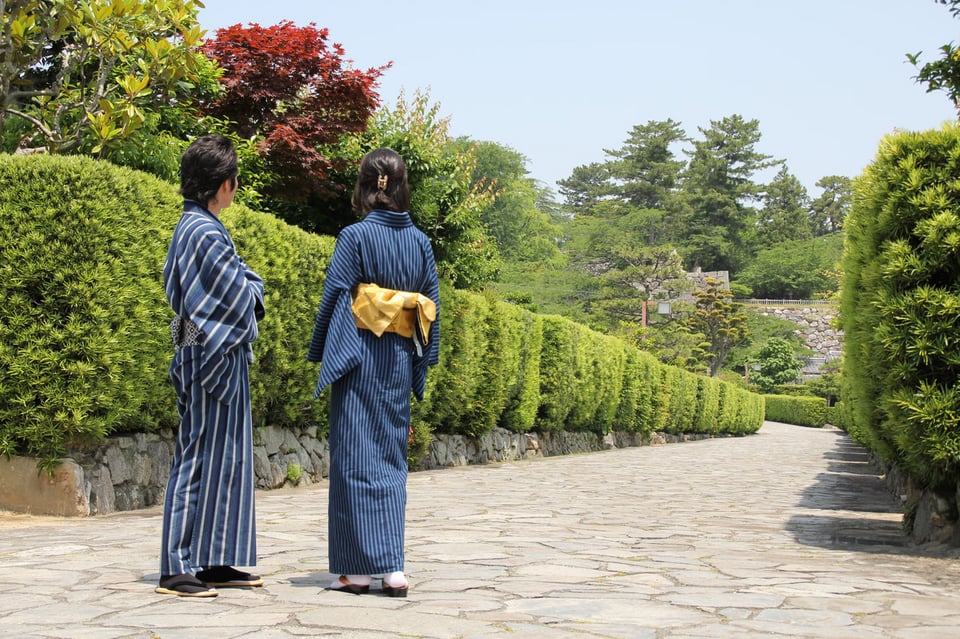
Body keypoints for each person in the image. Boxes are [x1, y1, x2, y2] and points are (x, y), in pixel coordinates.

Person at [307, 148, 440, 597]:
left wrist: (319, 351)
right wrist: (423, 361)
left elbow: (335, 297)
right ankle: (393, 568)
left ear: (365, 186)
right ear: (401, 187)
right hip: (398, 359)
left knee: (353, 460)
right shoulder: (420, 243)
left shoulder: (355, 237)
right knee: (390, 460)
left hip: (358, 357)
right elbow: (430, 308)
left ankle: (357, 572)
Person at [157, 134, 266, 597]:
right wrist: (252, 287)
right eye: (234, 179)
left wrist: (247, 282)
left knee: (225, 458)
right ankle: (176, 565)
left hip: (199, 345)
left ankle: (213, 558)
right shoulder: (202, 231)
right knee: (200, 456)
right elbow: (242, 293)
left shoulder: (198, 226)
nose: (235, 187)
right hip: (208, 353)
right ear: (223, 184)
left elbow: (229, 285)